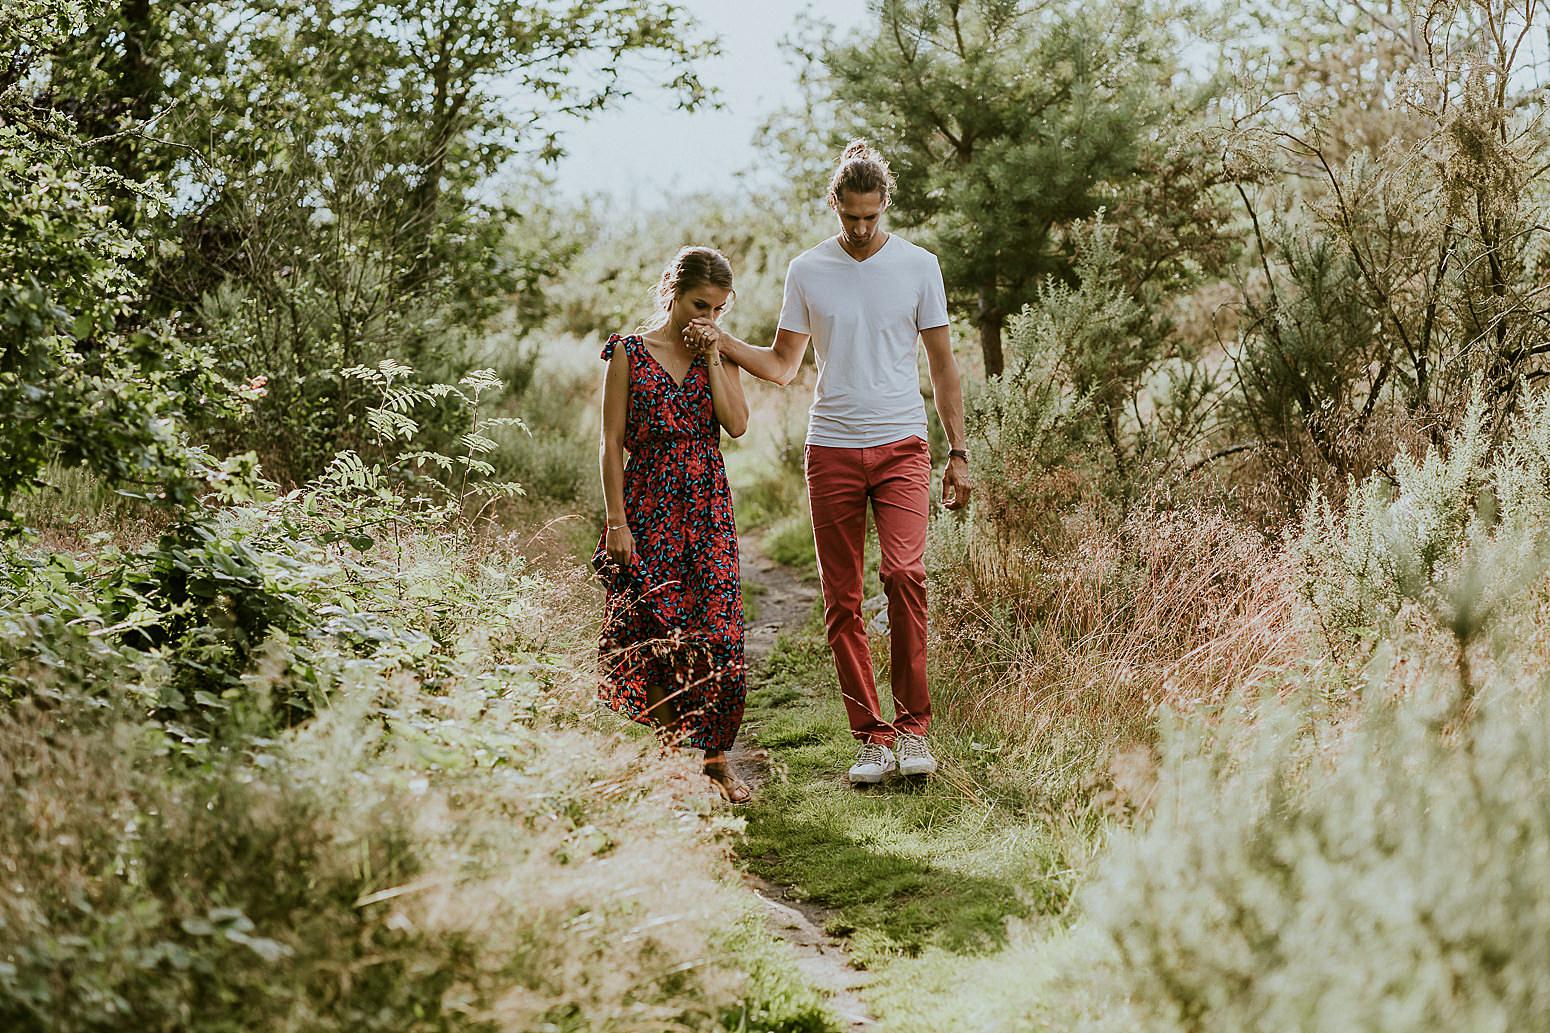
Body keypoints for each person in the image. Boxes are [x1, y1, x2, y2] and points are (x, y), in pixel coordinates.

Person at [687, 140, 971, 786]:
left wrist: (957, 452)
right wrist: (724, 343)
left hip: (902, 442)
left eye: (871, 217)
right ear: (835, 207)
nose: (862, 229)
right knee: (841, 601)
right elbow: (785, 367)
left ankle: (914, 728)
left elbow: (943, 366)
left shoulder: (920, 265)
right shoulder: (807, 270)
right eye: (851, 218)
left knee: (904, 573)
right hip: (832, 446)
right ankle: (870, 738)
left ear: (884, 206)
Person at [594, 245, 753, 803]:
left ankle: (713, 761)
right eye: (697, 305)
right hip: (648, 502)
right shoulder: (630, 353)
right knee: (655, 632)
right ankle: (668, 762)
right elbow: (611, 442)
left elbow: (736, 425)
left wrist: (713, 355)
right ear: (672, 292)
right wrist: (616, 520)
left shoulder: (720, 353)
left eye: (717, 309)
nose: (706, 318)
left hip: (707, 505)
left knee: (719, 633)